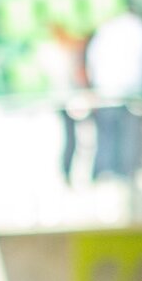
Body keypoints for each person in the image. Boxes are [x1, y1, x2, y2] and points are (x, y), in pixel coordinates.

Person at [85, 0, 142, 181]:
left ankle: (104, 174)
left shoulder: (106, 29)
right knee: (127, 137)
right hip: (132, 91)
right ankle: (125, 175)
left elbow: (93, 59)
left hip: (107, 90)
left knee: (106, 136)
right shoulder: (141, 28)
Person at [43, 22, 91, 185]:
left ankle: (71, 173)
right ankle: (68, 173)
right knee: (73, 139)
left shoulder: (53, 51)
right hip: (69, 100)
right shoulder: (60, 53)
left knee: (75, 138)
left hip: (67, 100)